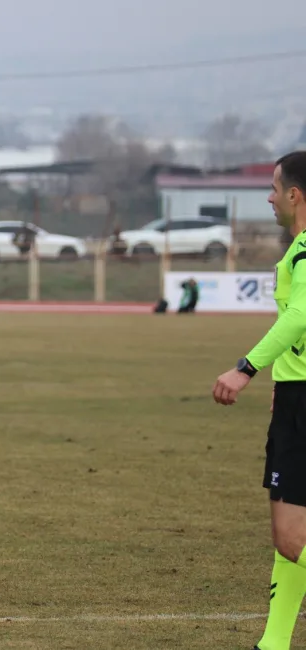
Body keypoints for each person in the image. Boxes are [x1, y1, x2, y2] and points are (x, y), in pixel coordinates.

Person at [212, 150, 306, 650]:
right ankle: (272, 643)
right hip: (296, 396)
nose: (269, 198)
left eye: (273, 188)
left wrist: (247, 368)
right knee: (293, 536)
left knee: (290, 537)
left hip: (303, 405)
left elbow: (300, 317)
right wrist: (284, 383)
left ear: (295, 194)